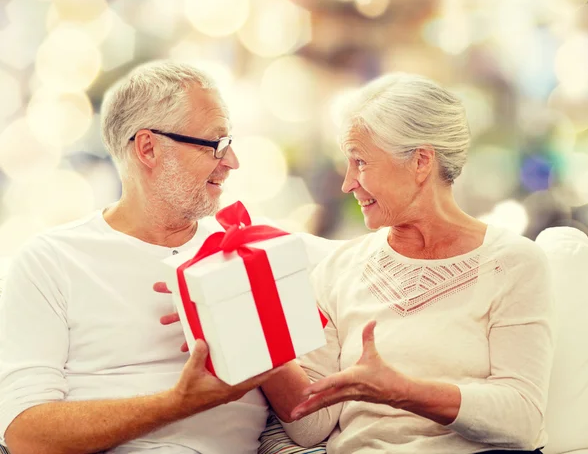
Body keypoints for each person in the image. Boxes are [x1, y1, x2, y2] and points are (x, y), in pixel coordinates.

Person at [0, 61, 338, 454]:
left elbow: (308, 426)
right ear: (148, 148)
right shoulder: (51, 260)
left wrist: (248, 325)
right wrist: (179, 403)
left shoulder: (242, 249)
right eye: (216, 144)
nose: (232, 162)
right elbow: (25, 435)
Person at [266, 74, 555, 454]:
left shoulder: (514, 263)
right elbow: (309, 426)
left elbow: (522, 417)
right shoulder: (337, 270)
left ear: (421, 161)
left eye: (360, 161)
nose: (347, 183)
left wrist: (403, 392)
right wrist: (255, 338)